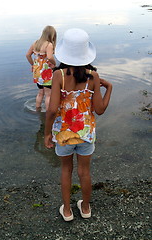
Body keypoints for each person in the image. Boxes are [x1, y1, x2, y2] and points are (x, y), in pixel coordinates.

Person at [44, 28, 112, 221]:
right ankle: (86, 208)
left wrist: (47, 133)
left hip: (64, 136)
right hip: (86, 134)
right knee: (85, 172)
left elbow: (51, 109)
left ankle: (67, 211)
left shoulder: (59, 75)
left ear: (64, 52)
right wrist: (110, 88)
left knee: (66, 170)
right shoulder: (93, 76)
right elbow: (99, 109)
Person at [26, 26, 57, 110]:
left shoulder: (36, 43)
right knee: (48, 94)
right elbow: (50, 57)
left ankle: (37, 108)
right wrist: (55, 64)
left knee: (40, 92)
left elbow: (28, 55)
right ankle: (48, 112)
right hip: (46, 72)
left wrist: (33, 64)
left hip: (37, 71)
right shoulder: (49, 44)